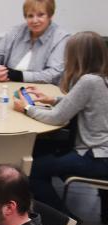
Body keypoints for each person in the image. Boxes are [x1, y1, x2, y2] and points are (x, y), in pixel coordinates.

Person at [14, 31, 108, 214]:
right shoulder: (102, 79)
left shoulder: (88, 81)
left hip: (95, 157)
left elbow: (57, 117)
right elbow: (91, 104)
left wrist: (26, 108)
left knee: (31, 170)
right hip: (103, 153)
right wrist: (53, 99)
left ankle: (65, 221)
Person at [0, 0, 70, 84]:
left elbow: (53, 74)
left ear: (50, 16)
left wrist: (17, 75)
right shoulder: (16, 32)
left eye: (41, 15)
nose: (35, 20)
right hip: (6, 85)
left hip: (42, 92)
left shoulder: (61, 38)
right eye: (30, 16)